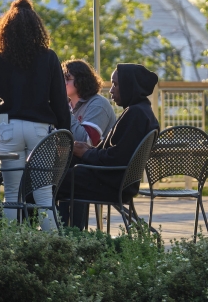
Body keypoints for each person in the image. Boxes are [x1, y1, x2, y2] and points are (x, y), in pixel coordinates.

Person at [0, 0, 70, 232]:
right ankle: (54, 246)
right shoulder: (49, 57)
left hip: (8, 126)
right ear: (37, 27)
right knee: (43, 194)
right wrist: (64, 133)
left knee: (11, 192)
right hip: (41, 129)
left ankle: (11, 246)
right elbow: (60, 101)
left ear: (5, 29)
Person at [59, 63, 160, 230]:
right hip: (118, 180)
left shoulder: (136, 114)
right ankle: (67, 232)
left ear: (130, 85)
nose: (111, 90)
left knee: (51, 181)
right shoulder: (141, 111)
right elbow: (119, 152)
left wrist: (86, 154)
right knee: (64, 170)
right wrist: (89, 149)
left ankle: (57, 234)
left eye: (116, 84)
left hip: (112, 182)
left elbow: (116, 158)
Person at [63, 59, 116, 146]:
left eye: (67, 78)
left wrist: (63, 110)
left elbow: (86, 141)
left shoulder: (98, 104)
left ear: (81, 80)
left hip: (96, 158)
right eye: (61, 78)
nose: (62, 82)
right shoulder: (69, 105)